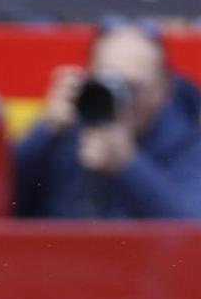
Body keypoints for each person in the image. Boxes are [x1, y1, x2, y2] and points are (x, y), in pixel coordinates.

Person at [12, 18, 201, 220]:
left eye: (133, 88)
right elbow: (0, 203)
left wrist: (128, 164)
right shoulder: (64, 131)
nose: (120, 99)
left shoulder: (188, 145)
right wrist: (45, 132)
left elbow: (192, 229)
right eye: (107, 82)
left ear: (163, 90)